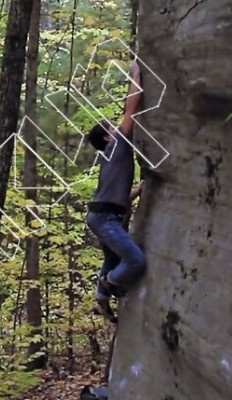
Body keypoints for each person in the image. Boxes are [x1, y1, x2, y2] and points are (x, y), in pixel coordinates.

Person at [86, 60, 146, 323]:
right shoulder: (118, 146)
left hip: (103, 215)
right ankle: (109, 284)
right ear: (110, 138)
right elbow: (131, 108)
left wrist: (140, 189)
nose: (118, 127)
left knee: (112, 257)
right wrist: (135, 75)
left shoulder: (110, 159)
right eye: (113, 127)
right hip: (105, 219)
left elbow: (115, 196)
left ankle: (101, 295)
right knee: (135, 261)